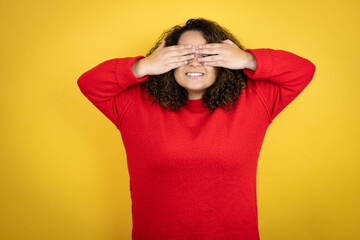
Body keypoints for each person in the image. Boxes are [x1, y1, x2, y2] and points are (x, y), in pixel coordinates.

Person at [77, 18, 316, 240]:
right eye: (183, 55)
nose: (193, 62)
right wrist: (143, 66)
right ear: (166, 61)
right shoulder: (134, 103)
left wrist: (247, 59)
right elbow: (89, 83)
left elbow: (303, 71)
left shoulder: (254, 100)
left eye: (206, 54)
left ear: (223, 60)